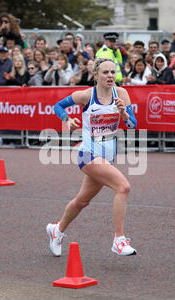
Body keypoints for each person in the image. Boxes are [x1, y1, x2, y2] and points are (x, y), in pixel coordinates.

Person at [46, 58, 137, 257]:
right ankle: (119, 240)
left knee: (81, 201)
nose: (110, 76)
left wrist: (124, 114)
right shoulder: (86, 95)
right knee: (123, 187)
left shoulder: (122, 94)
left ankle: (57, 230)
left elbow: (133, 126)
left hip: (107, 156)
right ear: (95, 75)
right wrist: (67, 119)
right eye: (105, 72)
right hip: (87, 154)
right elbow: (58, 106)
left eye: (113, 72)